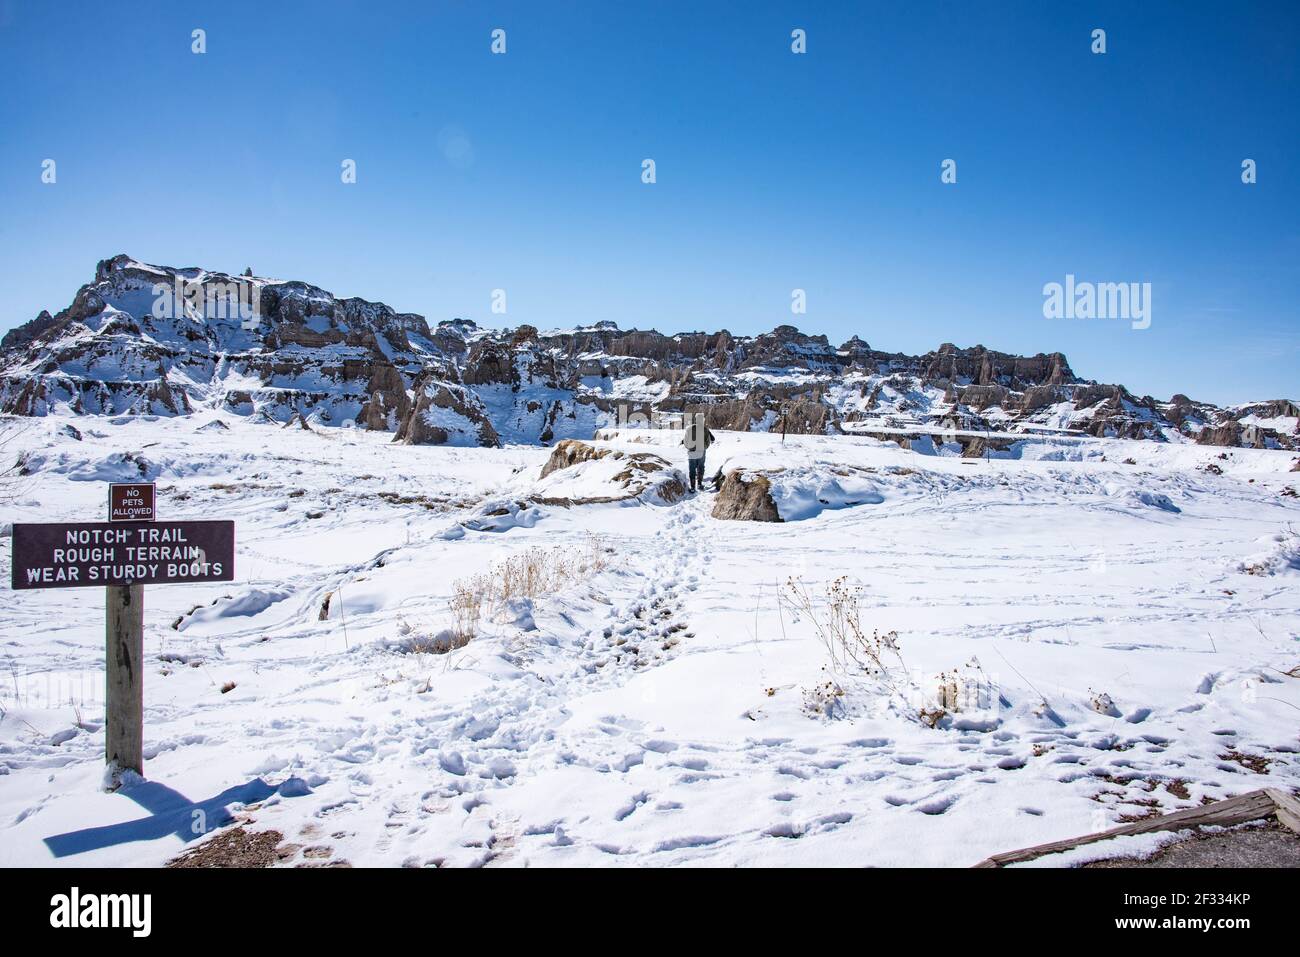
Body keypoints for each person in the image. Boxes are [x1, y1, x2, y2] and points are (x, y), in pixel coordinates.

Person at [682, 412, 717, 492]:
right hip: (701, 451)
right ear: (702, 420)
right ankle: (700, 484)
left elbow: (685, 441)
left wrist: (689, 448)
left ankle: (693, 487)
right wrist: (703, 448)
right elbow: (708, 442)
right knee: (700, 467)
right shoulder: (705, 429)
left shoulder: (689, 428)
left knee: (692, 469)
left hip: (691, 452)